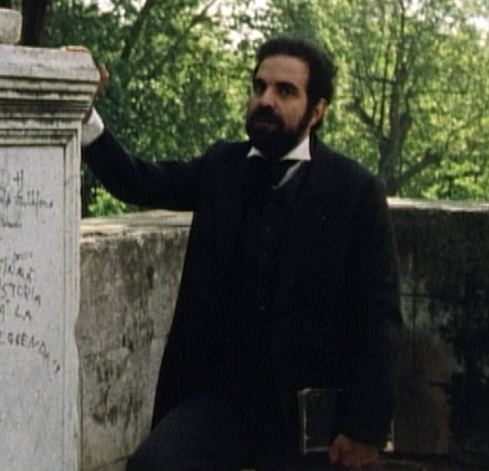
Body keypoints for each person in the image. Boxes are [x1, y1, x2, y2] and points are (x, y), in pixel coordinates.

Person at [81, 36, 403, 471]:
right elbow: (139, 181)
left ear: (317, 111)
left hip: (308, 413)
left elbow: (380, 316)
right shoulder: (222, 167)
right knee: (153, 464)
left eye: (285, 91)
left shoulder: (355, 190)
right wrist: (84, 113)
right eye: (259, 87)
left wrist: (365, 427)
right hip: (224, 402)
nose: (266, 100)